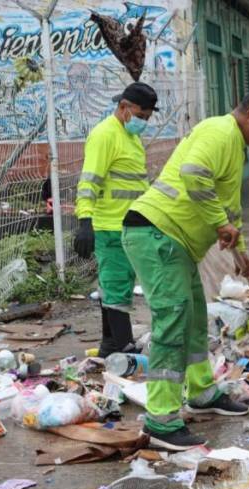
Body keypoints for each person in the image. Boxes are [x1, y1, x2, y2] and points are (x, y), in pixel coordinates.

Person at [121, 85, 249, 450]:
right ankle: (161, 419)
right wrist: (219, 225)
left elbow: (230, 210)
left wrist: (240, 254)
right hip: (156, 234)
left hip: (174, 243)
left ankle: (201, 392)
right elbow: (195, 175)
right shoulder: (219, 131)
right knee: (173, 322)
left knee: (195, 319)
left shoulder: (235, 147)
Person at [74, 82, 158, 358]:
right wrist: (85, 220)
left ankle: (110, 344)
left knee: (114, 285)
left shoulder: (129, 137)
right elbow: (90, 179)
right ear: (124, 108)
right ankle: (124, 348)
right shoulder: (105, 135)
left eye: (147, 117)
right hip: (110, 226)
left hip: (129, 223)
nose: (143, 122)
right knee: (117, 286)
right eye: (141, 116)